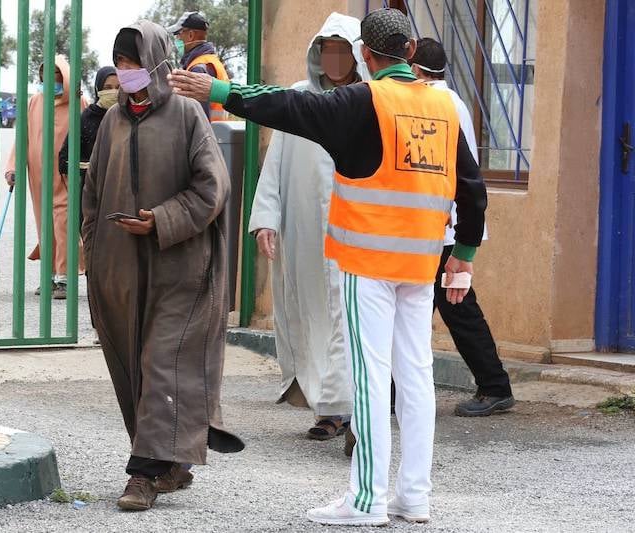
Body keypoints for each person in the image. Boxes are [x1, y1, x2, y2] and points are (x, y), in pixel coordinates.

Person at [169, 7, 487, 526]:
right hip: (422, 262)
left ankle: (365, 501)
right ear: (410, 51)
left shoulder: (363, 101)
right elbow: (472, 189)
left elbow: (289, 106)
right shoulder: (446, 106)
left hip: (368, 263)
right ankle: (413, 496)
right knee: (415, 377)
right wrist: (464, 260)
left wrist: (222, 94)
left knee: (369, 376)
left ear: (366, 55)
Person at [82, 21, 244, 512]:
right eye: (120, 63)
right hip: (123, 273)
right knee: (134, 367)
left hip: (181, 270)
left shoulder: (187, 114)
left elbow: (213, 189)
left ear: (155, 60)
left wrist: (161, 219)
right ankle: (170, 462)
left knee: (163, 364)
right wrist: (96, 242)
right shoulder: (112, 121)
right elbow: (92, 194)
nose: (127, 72)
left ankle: (143, 475)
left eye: (133, 62)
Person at [249, 12, 369, 444]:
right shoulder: (299, 98)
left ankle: (345, 409)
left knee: (346, 317)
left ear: (357, 54)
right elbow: (275, 163)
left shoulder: (366, 100)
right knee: (311, 315)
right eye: (327, 50)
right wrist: (266, 217)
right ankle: (325, 404)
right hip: (304, 233)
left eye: (342, 50)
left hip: (354, 234)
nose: (333, 60)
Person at [409, 38, 515, 417]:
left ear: (416, 69)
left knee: (454, 308)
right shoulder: (451, 100)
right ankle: (494, 386)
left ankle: (495, 387)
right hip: (452, 226)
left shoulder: (434, 103)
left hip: (445, 229)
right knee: (446, 308)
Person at [5, 56, 86, 299]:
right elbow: (24, 137)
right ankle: (51, 276)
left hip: (66, 175)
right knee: (46, 224)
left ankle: (65, 278)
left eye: (57, 75)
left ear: (66, 77)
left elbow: (87, 133)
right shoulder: (35, 102)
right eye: (45, 75)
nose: (50, 80)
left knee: (64, 221)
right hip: (39, 176)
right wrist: (13, 167)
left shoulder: (77, 102)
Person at [58, 66, 119, 230]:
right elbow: (64, 160)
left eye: (118, 87)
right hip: (90, 197)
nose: (114, 92)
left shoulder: (126, 117)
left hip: (120, 196)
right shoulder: (86, 118)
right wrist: (88, 166)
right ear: (98, 89)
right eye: (108, 88)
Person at [167, 11, 229, 121]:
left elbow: (198, 118)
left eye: (178, 34)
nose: (177, 40)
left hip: (208, 134)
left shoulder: (198, 69)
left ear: (190, 35)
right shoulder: (211, 61)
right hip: (218, 132)